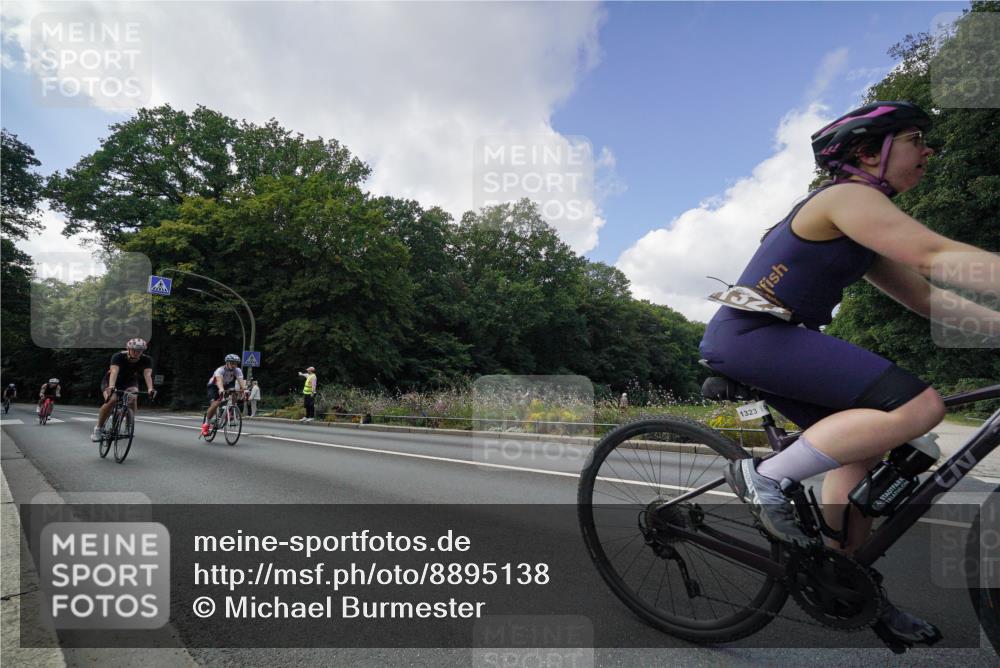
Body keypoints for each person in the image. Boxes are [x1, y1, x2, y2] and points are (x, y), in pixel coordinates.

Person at [699, 101, 1000, 644]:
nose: (928, 150)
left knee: (865, 450)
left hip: (778, 340)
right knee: (918, 406)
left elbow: (928, 299)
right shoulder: (845, 198)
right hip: (751, 337)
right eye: (914, 139)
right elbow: (933, 255)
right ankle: (764, 478)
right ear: (868, 152)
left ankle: (850, 578)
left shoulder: (860, 233)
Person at [94, 339, 156, 441]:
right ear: (128, 349)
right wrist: (112, 386)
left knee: (133, 397)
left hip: (130, 381)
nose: (137, 353)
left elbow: (147, 374)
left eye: (140, 350)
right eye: (134, 350)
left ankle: (129, 426)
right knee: (112, 400)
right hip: (112, 380)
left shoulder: (147, 360)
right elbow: (114, 372)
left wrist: (150, 389)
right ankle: (98, 429)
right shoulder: (118, 356)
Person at [201, 354, 247, 436]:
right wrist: (221, 389)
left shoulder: (237, 370)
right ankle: (206, 425)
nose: (234, 365)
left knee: (234, 392)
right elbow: (219, 381)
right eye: (232, 363)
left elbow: (241, 382)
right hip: (214, 386)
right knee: (215, 405)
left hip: (227, 384)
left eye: (236, 364)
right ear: (227, 363)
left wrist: (244, 390)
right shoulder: (220, 370)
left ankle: (231, 410)